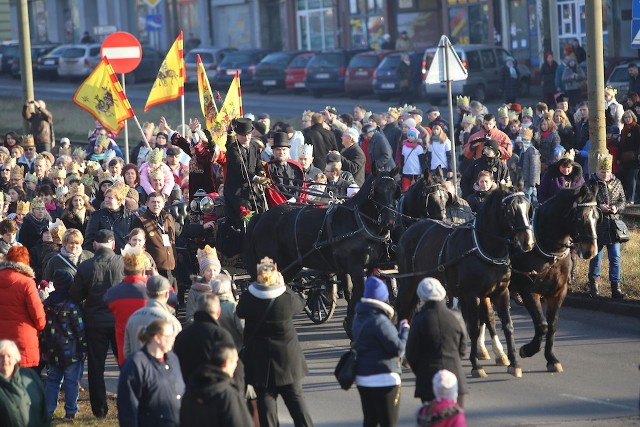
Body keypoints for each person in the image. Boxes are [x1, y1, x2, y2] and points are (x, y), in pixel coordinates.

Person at [236, 257, 313, 427]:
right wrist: (283, 284)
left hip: (260, 363)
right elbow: (300, 304)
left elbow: (239, 311)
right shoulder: (285, 298)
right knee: (296, 402)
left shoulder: (249, 298)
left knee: (266, 406)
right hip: (287, 362)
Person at [70, 229, 124, 418]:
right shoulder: (123, 263)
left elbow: (75, 296)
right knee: (124, 364)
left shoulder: (85, 266)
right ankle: (127, 404)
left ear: (94, 246)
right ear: (113, 245)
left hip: (94, 321)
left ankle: (100, 410)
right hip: (119, 320)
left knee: (96, 367)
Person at [353, 276, 410, 427]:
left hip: (363, 378)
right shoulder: (380, 321)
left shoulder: (358, 318)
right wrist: (405, 331)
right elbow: (398, 349)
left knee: (370, 421)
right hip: (384, 379)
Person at [406, 278, 467, 406]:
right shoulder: (456, 315)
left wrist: (421, 370)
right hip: (455, 376)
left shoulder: (418, 319)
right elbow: (462, 348)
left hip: (428, 379)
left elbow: (411, 354)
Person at [117, 318, 184, 427]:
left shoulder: (173, 359)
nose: (173, 340)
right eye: (169, 336)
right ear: (157, 338)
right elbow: (128, 408)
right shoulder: (136, 364)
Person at [41, 269, 86, 420]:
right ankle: (70, 412)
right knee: (72, 382)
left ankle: (48, 411)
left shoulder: (46, 303)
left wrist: (43, 347)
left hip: (52, 348)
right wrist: (84, 346)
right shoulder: (72, 305)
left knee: (53, 381)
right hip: (71, 350)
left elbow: (42, 328)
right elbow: (79, 328)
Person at [180, 343, 253, 426]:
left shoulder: (190, 391)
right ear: (226, 363)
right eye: (235, 362)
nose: (236, 365)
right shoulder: (228, 395)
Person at [587, 153, 626, 299]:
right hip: (597, 225)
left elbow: (623, 201)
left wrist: (616, 208)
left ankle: (616, 286)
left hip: (613, 225)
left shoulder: (617, 182)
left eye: (608, 171)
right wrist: (598, 207)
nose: (605, 174)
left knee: (615, 257)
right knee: (596, 256)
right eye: (602, 172)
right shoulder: (591, 183)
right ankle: (594, 286)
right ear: (597, 170)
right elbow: (585, 202)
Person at [103, 244, 150, 366]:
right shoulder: (153, 291)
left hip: (124, 350)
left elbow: (106, 303)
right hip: (150, 350)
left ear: (123, 270)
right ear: (144, 270)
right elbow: (171, 299)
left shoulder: (113, 293)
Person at [0, 246, 45, 368]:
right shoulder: (27, 282)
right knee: (21, 382)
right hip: (22, 337)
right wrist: (41, 325)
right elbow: (38, 315)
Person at [123, 275, 182, 360]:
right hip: (162, 370)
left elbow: (127, 351)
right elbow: (178, 353)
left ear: (146, 293)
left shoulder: (133, 318)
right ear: (166, 294)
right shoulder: (171, 321)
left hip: (137, 368)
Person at [131, 191, 178, 286]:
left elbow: (182, 230)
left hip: (171, 269)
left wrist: (202, 228)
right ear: (147, 203)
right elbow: (138, 245)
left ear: (163, 204)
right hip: (154, 269)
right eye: (153, 202)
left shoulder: (168, 218)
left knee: (173, 298)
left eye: (158, 202)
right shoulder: (140, 221)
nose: (156, 204)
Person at [0, 340, 50, 426]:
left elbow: (44, 410)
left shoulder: (30, 376)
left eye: (9, 356)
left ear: (16, 358)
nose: (5, 359)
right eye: (1, 356)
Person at [84, 181, 137, 252]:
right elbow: (89, 240)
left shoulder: (131, 217)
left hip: (124, 258)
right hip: (102, 257)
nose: (106, 200)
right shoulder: (96, 216)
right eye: (106, 197)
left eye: (110, 198)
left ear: (119, 200)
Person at [264, 132, 306, 206]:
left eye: (284, 149)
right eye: (278, 149)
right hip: (277, 207)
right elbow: (271, 191)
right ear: (273, 151)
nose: (281, 152)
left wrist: (295, 199)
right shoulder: (268, 167)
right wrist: (285, 203)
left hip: (296, 204)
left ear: (288, 151)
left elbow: (301, 186)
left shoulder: (296, 167)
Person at [212, 274, 244, 348]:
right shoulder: (234, 307)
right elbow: (242, 328)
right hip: (235, 349)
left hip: (215, 350)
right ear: (229, 289)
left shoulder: (207, 307)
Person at [618, 110, 640, 204]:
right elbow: (621, 146)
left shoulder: (637, 128)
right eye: (625, 118)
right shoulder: (623, 130)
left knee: (633, 178)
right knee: (628, 178)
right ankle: (630, 197)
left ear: (633, 117)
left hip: (635, 158)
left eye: (629, 117)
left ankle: (631, 198)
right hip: (626, 158)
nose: (627, 119)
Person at [518, 128, 541, 205]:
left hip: (530, 180)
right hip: (526, 178)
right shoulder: (524, 150)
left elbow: (534, 167)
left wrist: (532, 181)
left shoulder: (532, 151)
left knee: (529, 198)